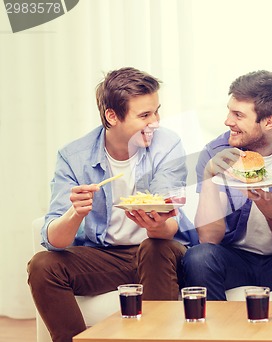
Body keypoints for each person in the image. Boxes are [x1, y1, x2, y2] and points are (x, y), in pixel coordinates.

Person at [27, 67, 198, 342]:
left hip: (159, 251)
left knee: (155, 247)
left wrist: (154, 223)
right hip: (108, 256)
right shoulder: (74, 157)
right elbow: (55, 240)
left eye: (156, 111)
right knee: (42, 265)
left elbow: (170, 227)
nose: (155, 121)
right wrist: (75, 213)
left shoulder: (167, 145)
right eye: (144, 115)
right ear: (112, 116)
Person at [182, 70, 272, 300]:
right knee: (198, 257)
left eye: (238, 115)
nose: (227, 121)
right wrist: (209, 176)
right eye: (229, 111)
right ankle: (218, 335)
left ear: (268, 121)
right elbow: (209, 238)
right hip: (234, 258)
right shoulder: (216, 153)